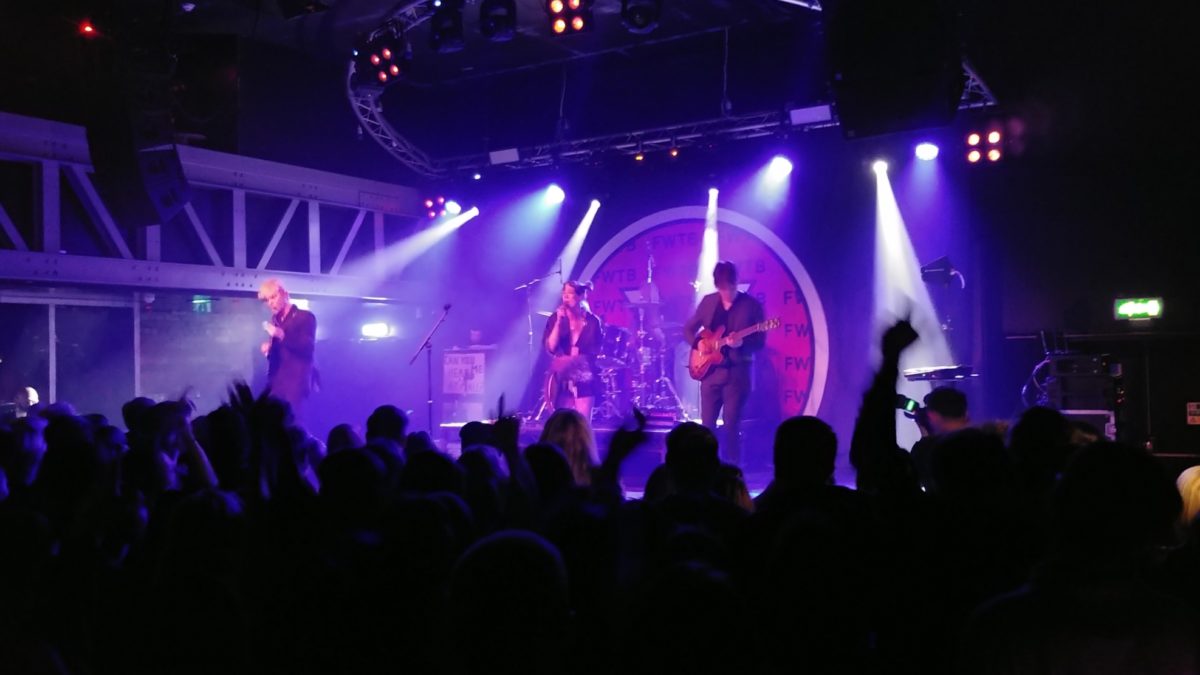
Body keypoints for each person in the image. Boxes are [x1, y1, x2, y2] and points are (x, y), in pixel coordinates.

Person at [683, 261, 765, 465]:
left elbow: (760, 342)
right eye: (722, 289)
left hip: (737, 375)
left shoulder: (752, 306)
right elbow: (688, 329)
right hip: (710, 375)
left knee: (731, 425)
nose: (727, 293)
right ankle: (705, 470)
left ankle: (732, 472)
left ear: (737, 283)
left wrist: (741, 344)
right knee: (706, 427)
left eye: (730, 288)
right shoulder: (708, 302)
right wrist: (699, 345)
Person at [543, 280, 603, 420]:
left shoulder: (593, 321)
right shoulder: (554, 319)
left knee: (583, 422)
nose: (566, 297)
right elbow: (551, 347)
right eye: (564, 293)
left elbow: (595, 350)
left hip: (583, 374)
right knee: (561, 422)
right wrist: (558, 322)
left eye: (570, 293)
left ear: (581, 296)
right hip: (561, 375)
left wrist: (574, 360)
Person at [258, 278, 317, 415]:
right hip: (277, 385)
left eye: (273, 297)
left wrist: (281, 335)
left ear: (284, 294)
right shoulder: (276, 321)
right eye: (267, 300)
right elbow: (281, 356)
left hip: (296, 385)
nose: (270, 303)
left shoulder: (305, 317)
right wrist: (269, 351)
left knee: (294, 426)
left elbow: (307, 347)